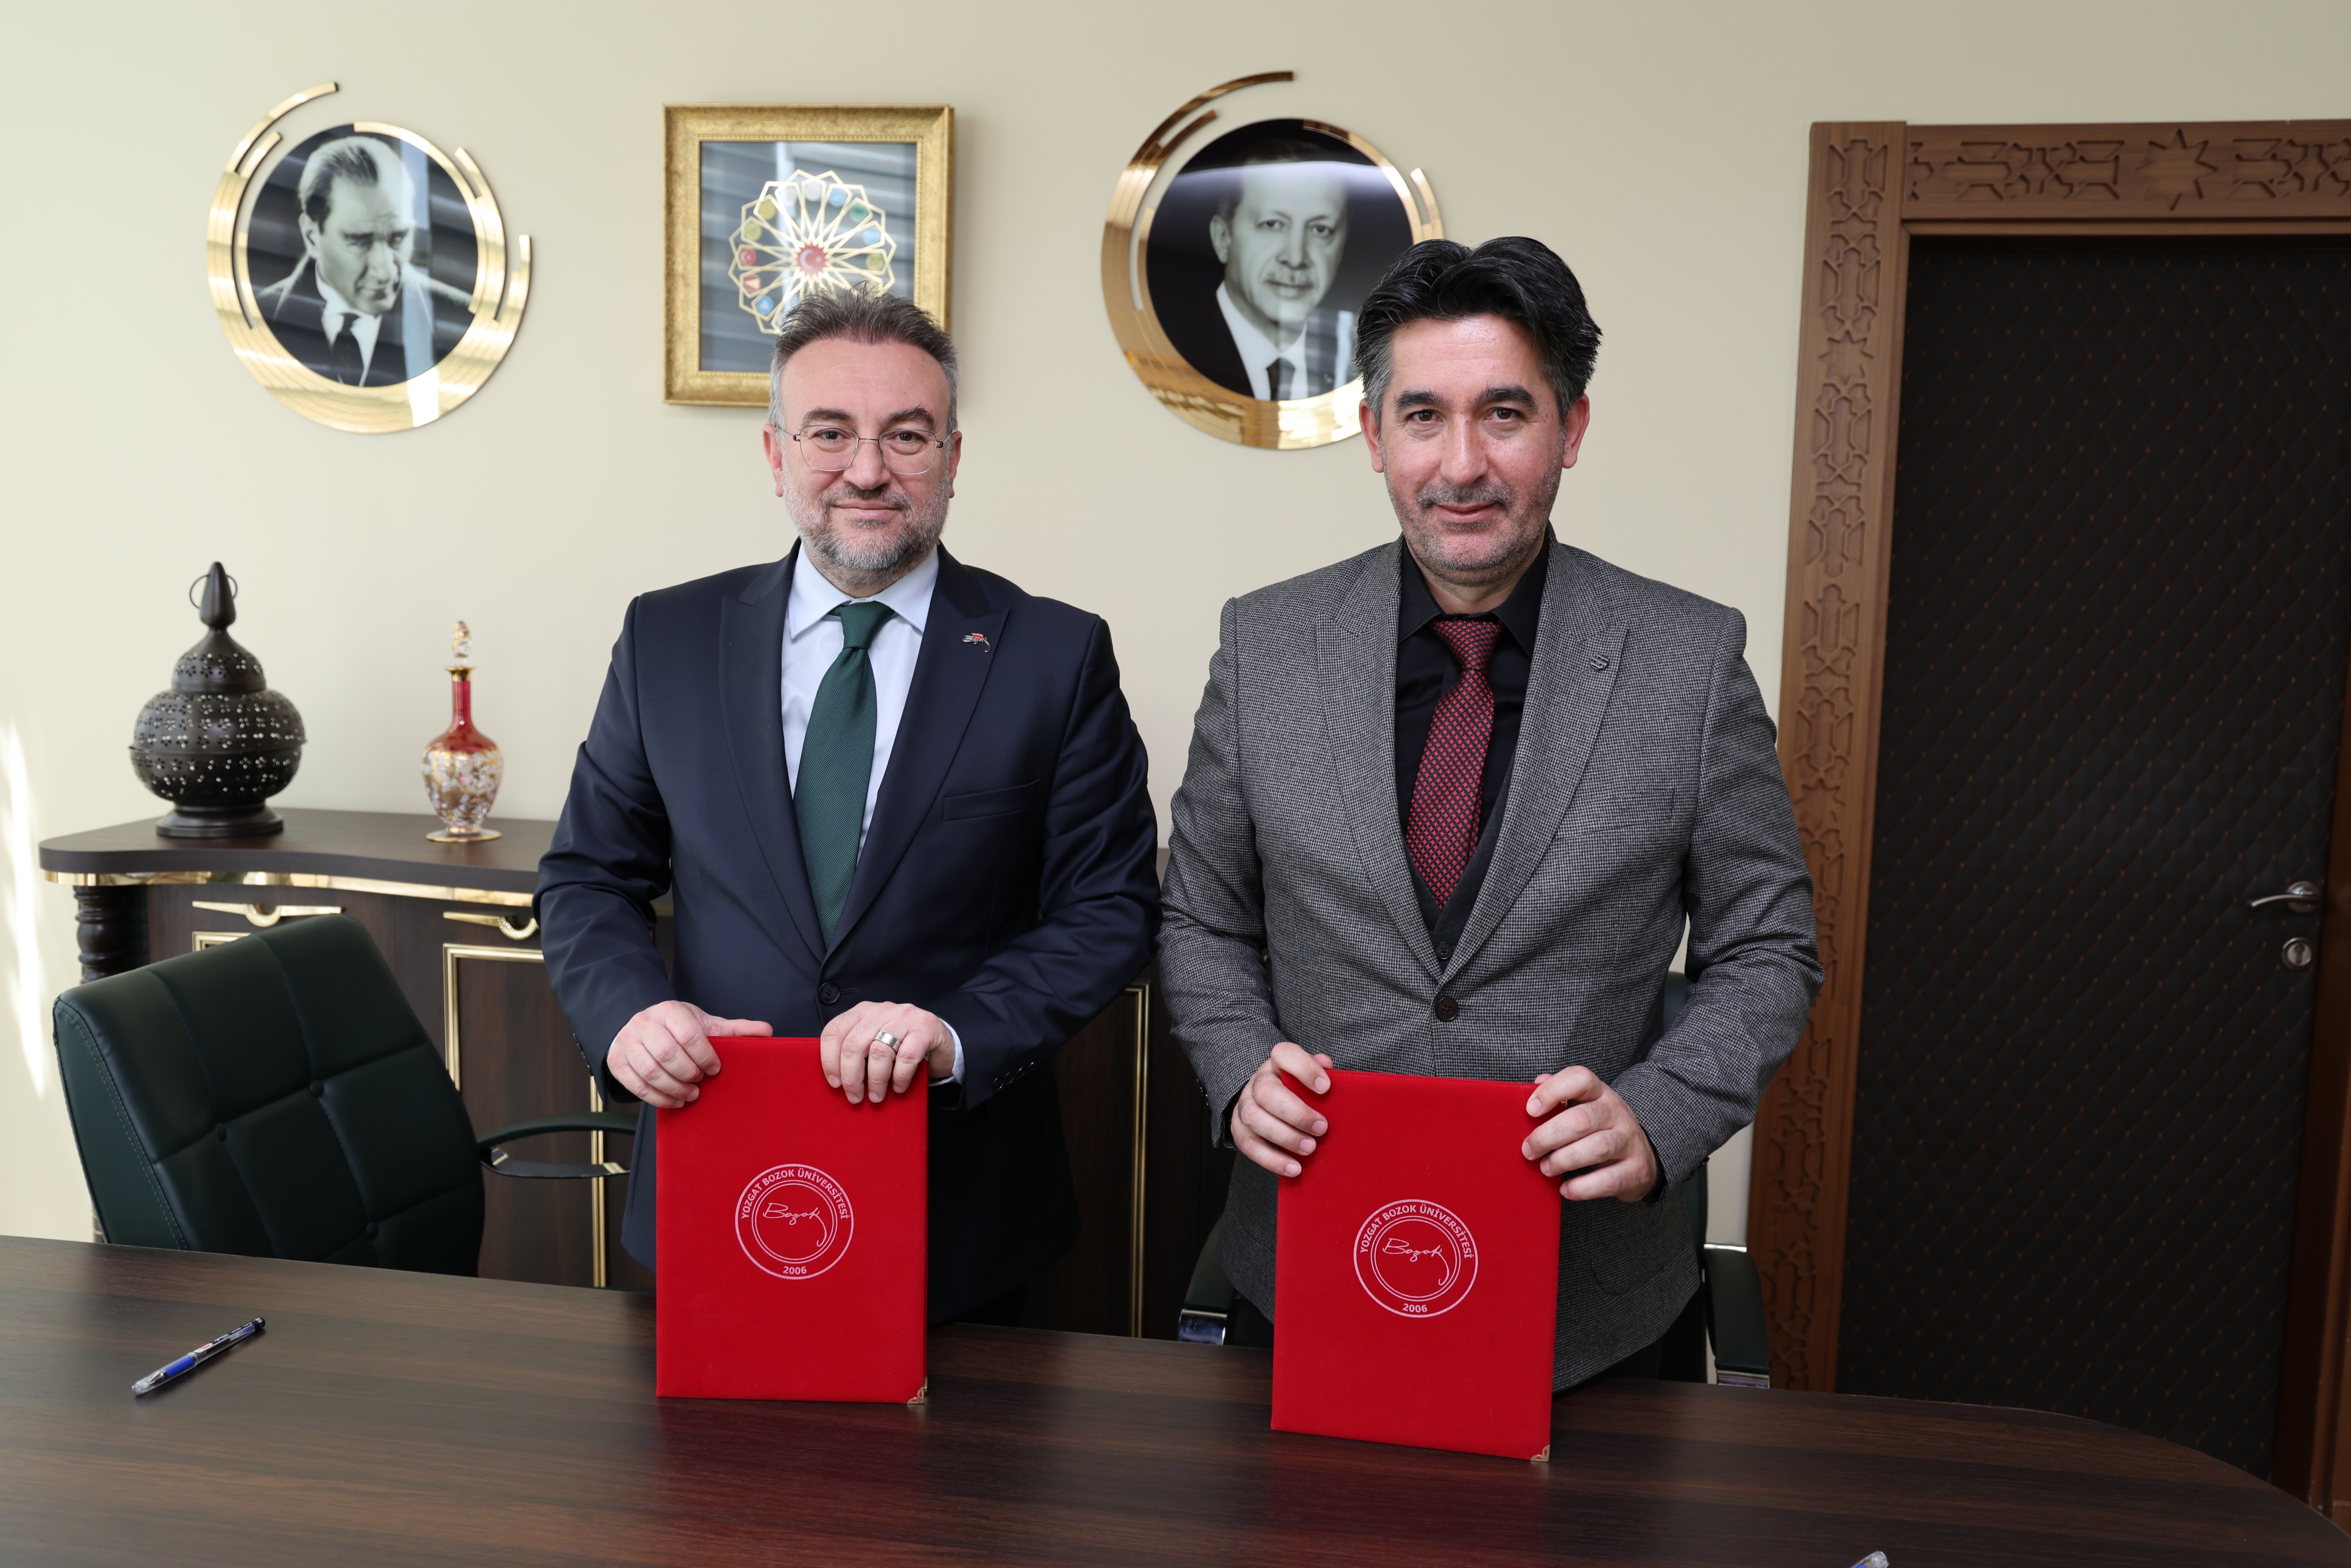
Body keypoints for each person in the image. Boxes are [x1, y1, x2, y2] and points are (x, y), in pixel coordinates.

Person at [1158, 236, 1822, 1389]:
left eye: (1504, 414)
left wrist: (1657, 1113)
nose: (1460, 465)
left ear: (1571, 428)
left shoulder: (1688, 660)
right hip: (1309, 1262)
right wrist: (1234, 1064)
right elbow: (1201, 917)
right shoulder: (1264, 645)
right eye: (1422, 416)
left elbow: (1768, 946)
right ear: (1373, 434)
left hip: (1591, 1312)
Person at [537, 290, 1161, 1324]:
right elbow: (588, 876)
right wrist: (627, 1018)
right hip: (714, 1164)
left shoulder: (1055, 655)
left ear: (952, 457)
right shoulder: (667, 639)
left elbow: (1110, 907)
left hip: (960, 1205)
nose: (867, 470)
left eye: (905, 436)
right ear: (776, 454)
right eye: (829, 433)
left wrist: (956, 1030)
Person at [256, 134, 468, 387]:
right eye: (360, 241)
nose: (385, 271)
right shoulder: (260, 315)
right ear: (312, 237)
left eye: (398, 237)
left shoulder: (462, 320)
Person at [1159, 142, 1355, 402]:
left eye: (1320, 229)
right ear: (1223, 238)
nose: (1295, 258)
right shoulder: (1167, 353)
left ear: (1342, 245)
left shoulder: (1362, 361)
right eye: (1272, 224)